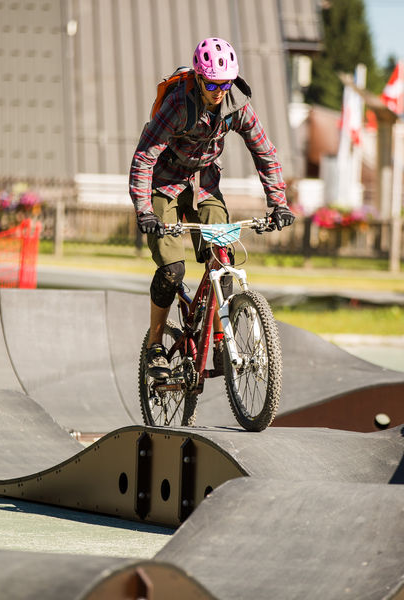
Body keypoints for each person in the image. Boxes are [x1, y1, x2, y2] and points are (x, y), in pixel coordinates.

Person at [129, 36, 295, 379]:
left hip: (205, 185)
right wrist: (144, 209)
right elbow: (145, 155)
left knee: (223, 256)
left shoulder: (237, 106)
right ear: (199, 78)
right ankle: (155, 345)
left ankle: (222, 340)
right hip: (166, 183)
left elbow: (264, 152)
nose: (219, 90)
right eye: (211, 83)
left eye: (225, 82)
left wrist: (278, 202)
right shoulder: (178, 105)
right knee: (172, 270)